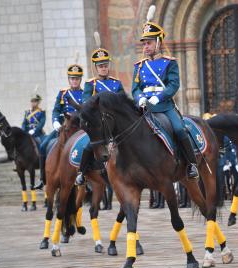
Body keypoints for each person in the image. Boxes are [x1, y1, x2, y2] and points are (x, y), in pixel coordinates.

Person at [131, 10, 198, 179]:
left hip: (165, 106)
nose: (145, 47)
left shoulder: (169, 63)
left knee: (180, 129)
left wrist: (158, 97)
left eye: (149, 43)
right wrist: (140, 98)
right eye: (144, 43)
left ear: (158, 43)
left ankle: (191, 165)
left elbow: (173, 85)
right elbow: (135, 88)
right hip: (145, 107)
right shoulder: (139, 66)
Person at [74, 32, 123, 210]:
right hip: (98, 125)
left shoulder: (116, 83)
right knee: (88, 146)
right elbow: (86, 104)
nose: (103, 68)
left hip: (115, 125)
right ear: (95, 67)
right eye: (100, 66)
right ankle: (81, 173)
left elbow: (123, 101)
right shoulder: (90, 85)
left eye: (105, 65)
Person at [34, 63, 84, 190]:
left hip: (79, 129)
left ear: (80, 79)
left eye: (77, 78)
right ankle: (42, 179)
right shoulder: (62, 94)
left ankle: (86, 177)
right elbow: (56, 110)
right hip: (63, 127)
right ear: (69, 79)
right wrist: (55, 121)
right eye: (72, 78)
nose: (74, 81)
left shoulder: (85, 94)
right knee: (43, 145)